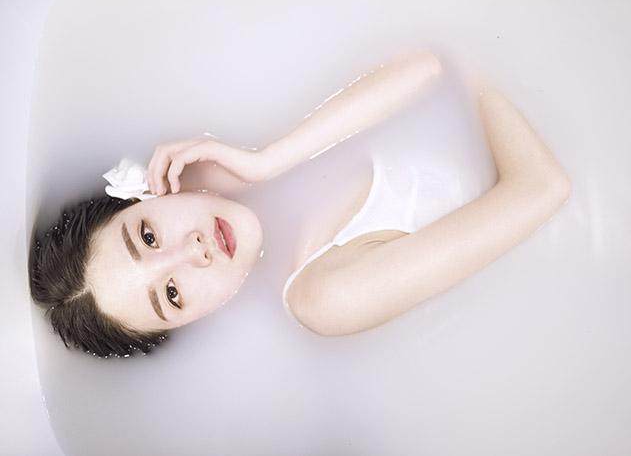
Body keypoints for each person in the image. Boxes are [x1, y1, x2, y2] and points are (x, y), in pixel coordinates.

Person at [28, 50, 571, 357]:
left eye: (148, 235)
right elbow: (541, 187)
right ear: (190, 322)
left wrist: (268, 162)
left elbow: (428, 66)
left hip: (532, 80)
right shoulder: (324, 297)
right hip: (566, 166)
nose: (193, 249)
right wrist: (480, 58)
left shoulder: (226, 173)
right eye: (171, 293)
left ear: (144, 198)